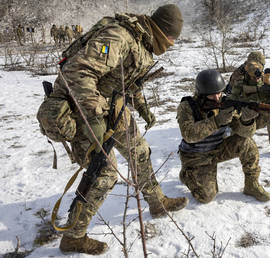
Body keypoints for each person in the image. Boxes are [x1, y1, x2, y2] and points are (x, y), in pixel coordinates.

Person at [50, 4, 188, 254]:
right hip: (82, 108)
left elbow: (126, 80)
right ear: (162, 31)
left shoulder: (142, 42)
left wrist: (143, 109)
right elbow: (78, 72)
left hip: (109, 106)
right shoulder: (118, 37)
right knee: (104, 173)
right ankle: (73, 236)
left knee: (140, 151)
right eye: (171, 38)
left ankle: (156, 202)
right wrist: (96, 117)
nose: (172, 44)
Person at [177, 69, 270, 203]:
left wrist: (247, 121)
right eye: (211, 95)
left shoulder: (226, 103)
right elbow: (189, 135)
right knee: (206, 197)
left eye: (219, 93)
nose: (217, 98)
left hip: (217, 149)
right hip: (195, 156)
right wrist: (217, 121)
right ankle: (187, 174)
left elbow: (244, 132)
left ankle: (251, 184)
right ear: (201, 94)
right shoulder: (187, 106)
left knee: (246, 142)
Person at [229, 51, 270, 160]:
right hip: (242, 116)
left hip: (257, 111)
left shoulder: (261, 76)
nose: (257, 71)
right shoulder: (239, 77)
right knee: (240, 139)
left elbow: (267, 96)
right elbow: (233, 98)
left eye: (260, 67)